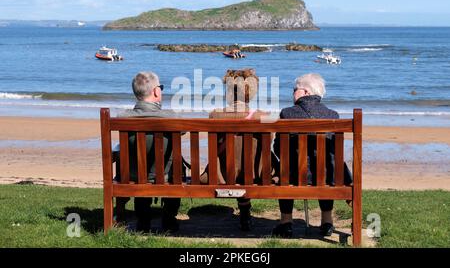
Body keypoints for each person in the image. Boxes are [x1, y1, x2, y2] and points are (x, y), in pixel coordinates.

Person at [271, 73, 353, 238]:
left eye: (295, 89)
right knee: (327, 166)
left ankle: (286, 223)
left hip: (293, 175)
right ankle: (327, 222)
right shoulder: (333, 115)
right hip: (328, 176)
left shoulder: (287, 113)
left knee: (285, 168)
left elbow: (278, 147)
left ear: (306, 92)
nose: (292, 93)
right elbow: (334, 151)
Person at [200, 69, 277, 231]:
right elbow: (268, 145)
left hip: (221, 174)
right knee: (248, 161)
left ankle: (244, 210)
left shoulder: (215, 116)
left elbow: (214, 146)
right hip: (258, 173)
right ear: (250, 94)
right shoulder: (264, 117)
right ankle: (245, 211)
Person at [115, 72, 183, 234]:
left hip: (133, 176)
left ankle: (143, 219)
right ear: (156, 91)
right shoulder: (172, 118)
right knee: (176, 164)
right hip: (166, 176)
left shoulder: (123, 117)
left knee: (139, 167)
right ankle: (169, 218)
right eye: (161, 88)